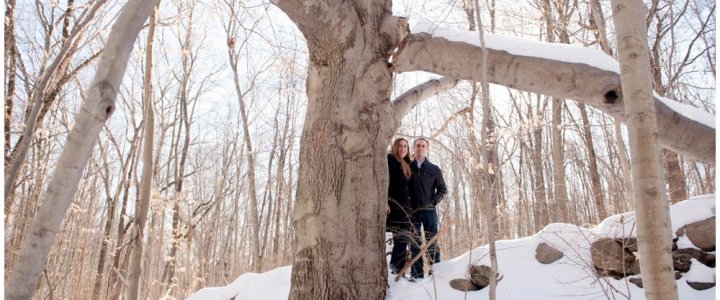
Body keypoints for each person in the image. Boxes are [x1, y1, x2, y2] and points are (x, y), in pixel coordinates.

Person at [409, 137, 447, 280]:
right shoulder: (407, 167)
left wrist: (434, 201)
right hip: (412, 212)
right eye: (418, 145)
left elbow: (442, 189)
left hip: (429, 211)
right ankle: (417, 275)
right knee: (414, 243)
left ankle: (435, 273)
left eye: (423, 146)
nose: (420, 148)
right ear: (414, 148)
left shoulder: (434, 169)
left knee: (432, 241)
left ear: (427, 149)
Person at [386, 138, 413, 274]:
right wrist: (385, 201)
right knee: (401, 237)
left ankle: (396, 268)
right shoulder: (390, 160)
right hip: (394, 207)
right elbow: (384, 182)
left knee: (403, 238)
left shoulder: (406, 164)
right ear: (395, 147)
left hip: (405, 208)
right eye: (400, 146)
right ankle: (395, 268)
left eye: (405, 146)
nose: (403, 149)